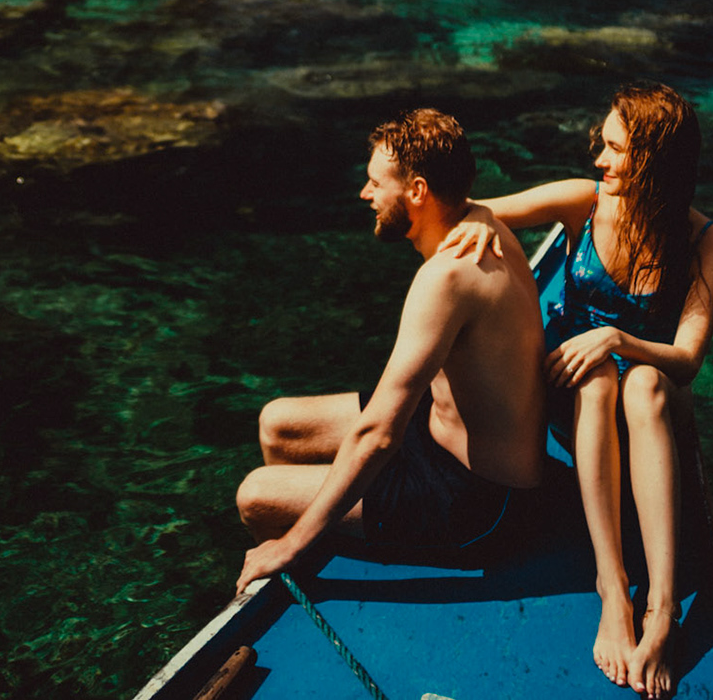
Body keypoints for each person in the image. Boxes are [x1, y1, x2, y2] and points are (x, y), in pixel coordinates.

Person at [446, 81, 713, 699]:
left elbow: (687, 359)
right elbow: (475, 207)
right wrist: (480, 226)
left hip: (648, 401)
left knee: (644, 382)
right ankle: (612, 585)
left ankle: (662, 607)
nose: (598, 159)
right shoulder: (584, 201)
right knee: (599, 379)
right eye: (600, 145)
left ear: (654, 161)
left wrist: (616, 338)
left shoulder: (707, 244)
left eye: (613, 149)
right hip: (572, 390)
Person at [232, 108, 548, 597]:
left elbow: (379, 434)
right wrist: (483, 212)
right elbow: (470, 203)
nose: (365, 194)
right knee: (277, 424)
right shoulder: (481, 226)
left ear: (417, 191)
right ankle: (328, 530)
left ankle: (292, 566)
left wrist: (291, 542)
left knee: (255, 496)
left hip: (479, 501)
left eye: (376, 183)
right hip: (438, 438)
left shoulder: (445, 277)